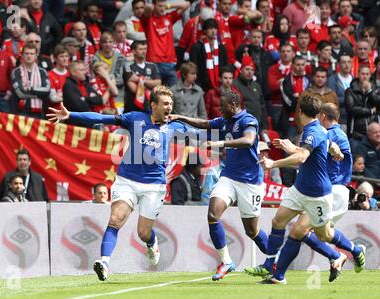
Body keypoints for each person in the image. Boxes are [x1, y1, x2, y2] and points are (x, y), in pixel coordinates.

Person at [47, 85, 200, 281]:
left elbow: (205, 128)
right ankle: (104, 262)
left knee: (143, 233)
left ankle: (152, 244)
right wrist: (71, 115)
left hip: (154, 186)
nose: (170, 107)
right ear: (153, 105)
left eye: (171, 104)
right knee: (115, 220)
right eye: (165, 104)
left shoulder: (176, 126)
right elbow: (102, 118)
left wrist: (223, 134)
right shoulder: (135, 118)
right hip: (127, 180)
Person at [248, 95, 357, 284]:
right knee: (278, 220)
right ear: (318, 113)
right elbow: (326, 145)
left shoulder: (311, 132)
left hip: (317, 195)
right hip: (300, 190)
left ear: (299, 111)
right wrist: (335, 151)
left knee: (325, 235)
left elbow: (302, 158)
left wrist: (274, 163)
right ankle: (272, 267)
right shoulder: (318, 130)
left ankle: (348, 251)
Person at [169, 91, 269, 281]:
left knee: (252, 231)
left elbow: (248, 141)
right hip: (229, 177)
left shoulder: (248, 120)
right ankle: (226, 261)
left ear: (233, 105)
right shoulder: (224, 120)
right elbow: (204, 123)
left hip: (250, 182)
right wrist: (180, 116)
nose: (220, 110)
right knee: (213, 214)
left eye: (222, 107)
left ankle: (274, 259)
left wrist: (220, 143)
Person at [141, 0, 190, 87]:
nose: (163, 8)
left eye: (164, 6)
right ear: (154, 5)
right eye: (160, 6)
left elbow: (186, 4)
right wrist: (156, 6)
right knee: (156, 94)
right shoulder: (148, 19)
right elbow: (148, 8)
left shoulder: (169, 17)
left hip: (169, 62)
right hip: (154, 62)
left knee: (174, 94)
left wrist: (167, 5)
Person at [10, 44, 51, 119]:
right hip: (21, 112)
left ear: (36, 56)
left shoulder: (43, 72)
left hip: (39, 113)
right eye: (26, 53)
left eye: (32, 54)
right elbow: (20, 93)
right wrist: (39, 94)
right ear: (22, 55)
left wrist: (30, 89)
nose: (29, 56)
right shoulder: (16, 71)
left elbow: (47, 91)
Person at [189, 18, 228, 92]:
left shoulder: (221, 48)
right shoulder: (197, 47)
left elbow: (224, 66)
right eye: (210, 28)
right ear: (205, 30)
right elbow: (194, 67)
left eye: (215, 28)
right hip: (202, 85)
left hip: (219, 85)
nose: (213, 31)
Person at [122, 40, 161, 113]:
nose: (144, 51)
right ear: (133, 51)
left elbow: (158, 83)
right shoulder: (128, 66)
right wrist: (150, 85)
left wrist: (140, 79)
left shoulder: (152, 66)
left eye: (145, 49)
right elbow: (134, 89)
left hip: (150, 107)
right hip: (133, 108)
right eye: (140, 49)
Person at [345, 65, 380, 139]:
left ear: (370, 75)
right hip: (356, 132)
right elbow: (351, 109)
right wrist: (370, 111)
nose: (365, 76)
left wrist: (370, 92)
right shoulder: (350, 91)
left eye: (367, 74)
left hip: (375, 131)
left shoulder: (376, 90)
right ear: (358, 74)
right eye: (363, 74)